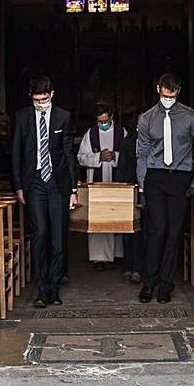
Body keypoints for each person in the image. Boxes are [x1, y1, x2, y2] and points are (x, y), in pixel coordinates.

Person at [136, 73, 194, 304]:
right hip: (155, 177)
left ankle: (166, 285)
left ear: (178, 92)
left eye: (173, 94)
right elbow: (142, 154)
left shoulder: (190, 117)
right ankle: (149, 281)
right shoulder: (147, 118)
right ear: (158, 89)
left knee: (173, 232)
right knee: (157, 230)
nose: (168, 98)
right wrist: (142, 184)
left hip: (180, 177)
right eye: (165, 94)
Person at [12, 75, 78, 308]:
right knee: (40, 234)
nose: (40, 104)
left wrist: (73, 188)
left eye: (44, 99)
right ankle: (42, 289)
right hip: (35, 182)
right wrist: (19, 185)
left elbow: (70, 154)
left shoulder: (63, 117)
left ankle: (54, 287)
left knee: (58, 236)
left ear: (52, 95)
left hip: (58, 183)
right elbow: (16, 154)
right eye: (36, 100)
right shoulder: (22, 117)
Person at [77, 103, 128, 271]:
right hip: (96, 182)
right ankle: (99, 258)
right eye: (100, 121)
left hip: (117, 183)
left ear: (111, 117)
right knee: (99, 216)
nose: (103, 124)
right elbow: (81, 158)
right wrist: (99, 156)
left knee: (117, 215)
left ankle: (118, 254)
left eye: (105, 120)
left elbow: (130, 157)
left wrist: (115, 156)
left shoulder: (122, 132)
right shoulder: (90, 134)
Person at [115, 114, 143, 283]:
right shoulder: (127, 142)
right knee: (128, 229)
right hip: (129, 189)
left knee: (142, 230)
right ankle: (128, 266)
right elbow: (121, 168)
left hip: (148, 190)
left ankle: (139, 268)